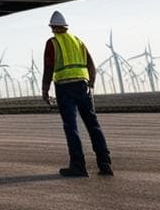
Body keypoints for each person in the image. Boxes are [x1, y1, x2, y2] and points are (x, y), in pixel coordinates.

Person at [41, 11, 113, 177]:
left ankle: (78, 166)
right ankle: (105, 164)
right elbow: (91, 65)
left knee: (71, 127)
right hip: (83, 86)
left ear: (52, 27)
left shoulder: (52, 43)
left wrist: (45, 90)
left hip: (65, 88)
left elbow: (48, 68)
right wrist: (91, 85)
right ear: (66, 27)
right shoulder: (78, 41)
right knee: (93, 125)